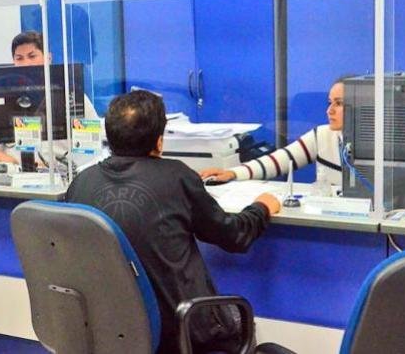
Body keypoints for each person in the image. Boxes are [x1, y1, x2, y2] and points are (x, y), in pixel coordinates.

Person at [65, 90, 280, 353]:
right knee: (240, 323)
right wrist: (262, 208)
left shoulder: (81, 183)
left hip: (108, 330)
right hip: (179, 330)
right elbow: (234, 236)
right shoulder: (176, 177)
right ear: (159, 142)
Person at [199, 78, 346, 186]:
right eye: (329, 103)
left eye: (339, 103)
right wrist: (233, 173)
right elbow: (277, 161)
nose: (329, 110)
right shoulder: (321, 135)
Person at [0, 31, 99, 166]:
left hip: (60, 171)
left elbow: (92, 145)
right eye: (19, 58)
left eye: (32, 56)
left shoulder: (71, 97)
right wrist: (18, 165)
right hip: (17, 172)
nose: (26, 63)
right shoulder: (2, 97)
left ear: (48, 58)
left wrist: (64, 168)